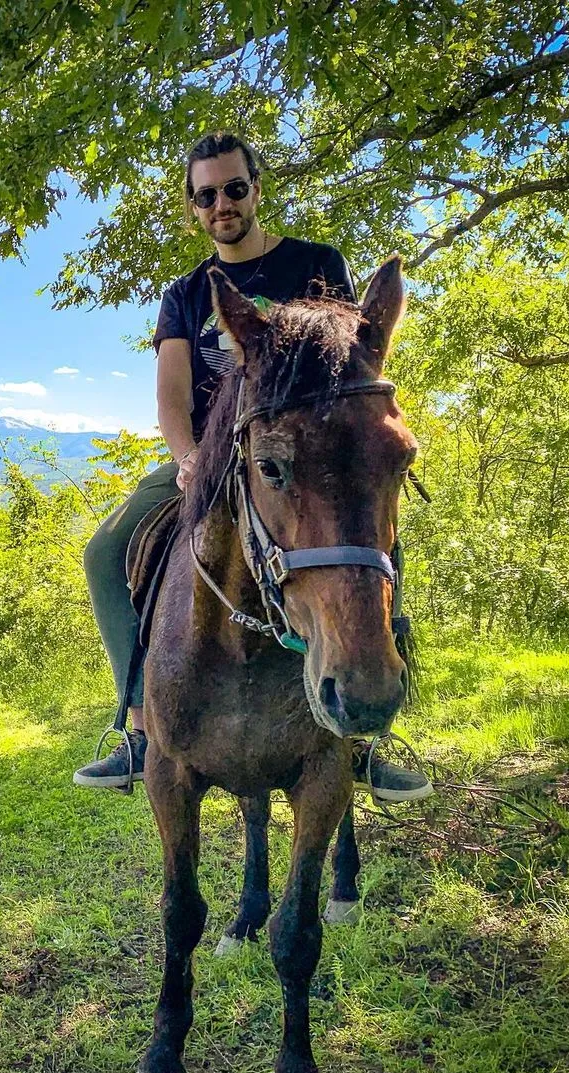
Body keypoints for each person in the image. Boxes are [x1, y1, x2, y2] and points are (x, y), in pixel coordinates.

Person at [72, 131, 432, 804]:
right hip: (211, 451)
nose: (221, 205)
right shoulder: (184, 295)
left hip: (306, 456)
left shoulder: (317, 263)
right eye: (205, 195)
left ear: (256, 190)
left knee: (378, 544)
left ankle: (367, 735)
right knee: (104, 550)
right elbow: (171, 396)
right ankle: (141, 729)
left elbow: (351, 361)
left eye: (234, 188)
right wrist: (186, 463)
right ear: (193, 208)